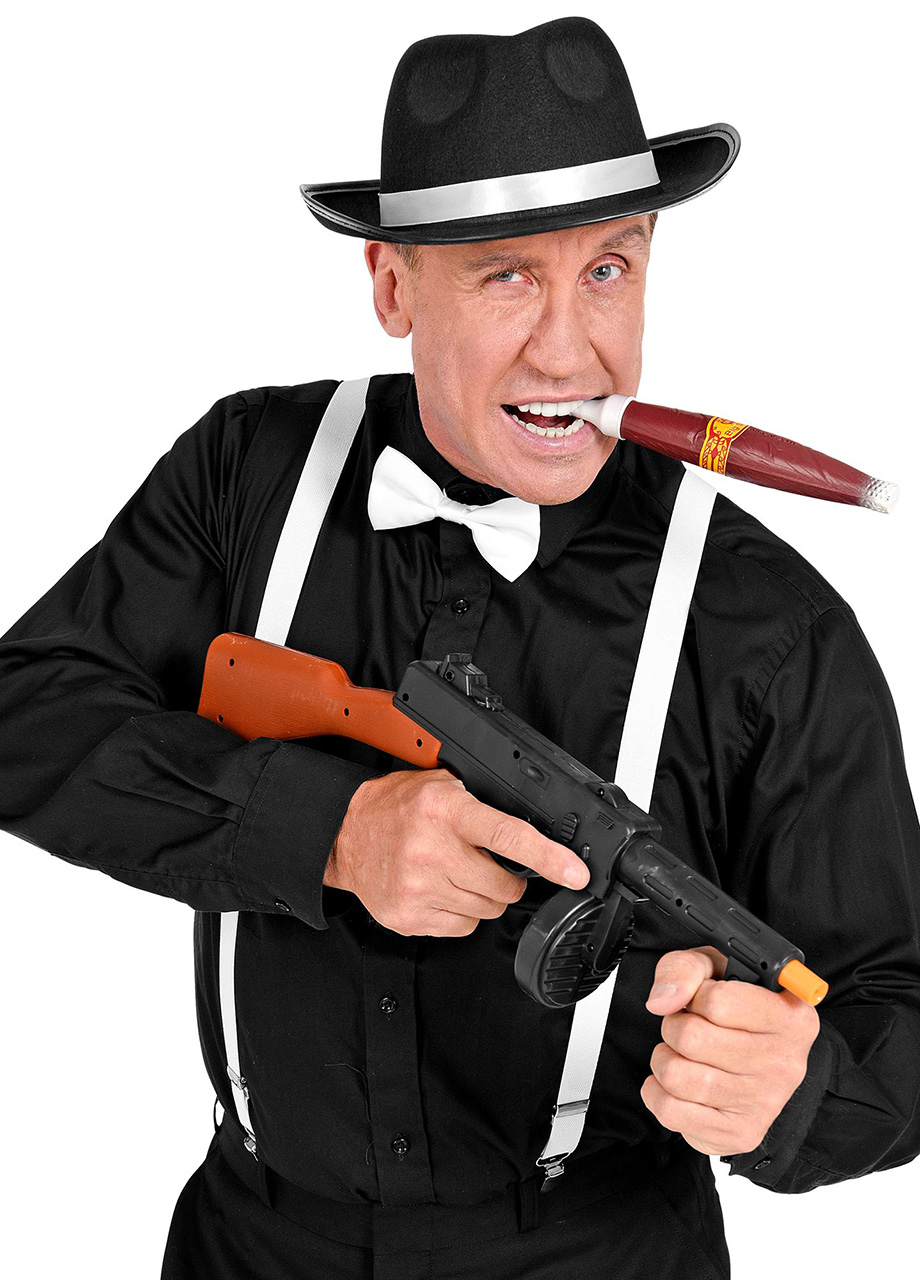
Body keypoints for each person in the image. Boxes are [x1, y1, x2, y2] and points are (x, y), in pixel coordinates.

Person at [1, 15, 918, 1280]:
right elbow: (27, 713)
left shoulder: (769, 622)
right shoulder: (243, 470)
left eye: (608, 268)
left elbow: (893, 1016)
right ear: (391, 286)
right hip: (249, 1245)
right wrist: (327, 829)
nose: (570, 351)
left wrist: (792, 1092)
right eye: (506, 277)